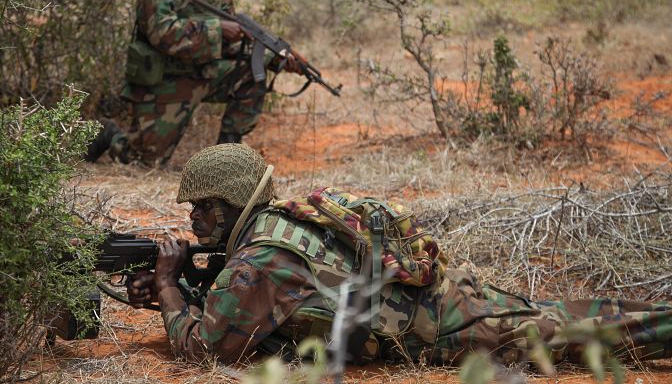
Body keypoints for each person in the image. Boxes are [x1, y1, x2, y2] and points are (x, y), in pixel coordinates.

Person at [127, 143, 672, 367]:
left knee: (579, 333)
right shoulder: (278, 223)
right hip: (444, 301)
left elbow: (206, 350)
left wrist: (171, 287)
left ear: (232, 205)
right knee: (567, 316)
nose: (194, 219)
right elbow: (242, 310)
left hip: (446, 329)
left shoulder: (258, 261)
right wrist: (179, 291)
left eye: (204, 208)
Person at [85, 0, 300, 166]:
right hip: (165, 82)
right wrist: (217, 29)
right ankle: (108, 133)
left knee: (250, 74)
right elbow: (162, 34)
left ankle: (225, 159)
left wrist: (272, 57)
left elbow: (233, 42)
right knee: (141, 162)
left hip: (201, 74)